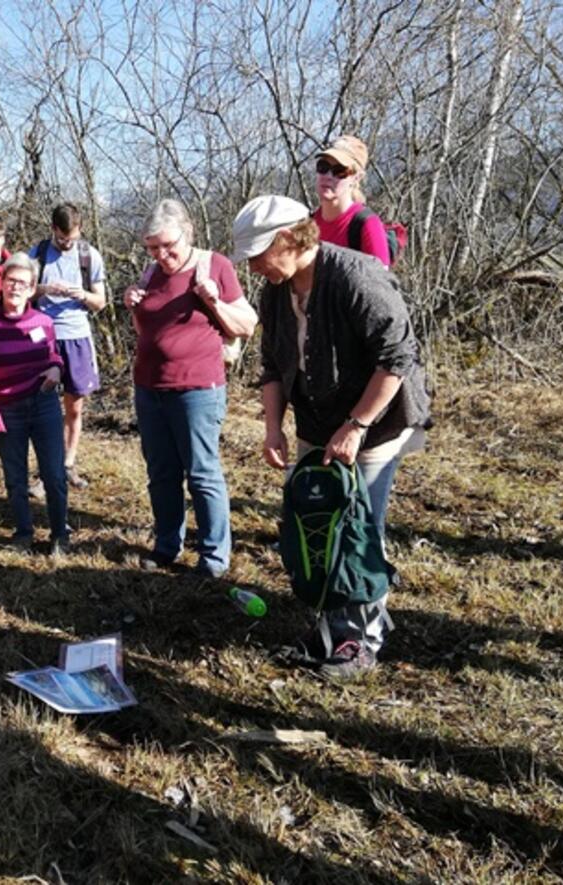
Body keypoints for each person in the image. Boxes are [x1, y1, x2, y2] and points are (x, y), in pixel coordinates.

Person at [230, 194, 431, 679]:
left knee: (359, 526)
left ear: (286, 240)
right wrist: (274, 427)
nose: (254, 267)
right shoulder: (276, 290)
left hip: (376, 421)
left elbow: (397, 358)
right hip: (317, 420)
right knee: (316, 518)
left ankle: (363, 639)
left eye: (258, 254)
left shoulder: (356, 276)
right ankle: (331, 627)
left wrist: (357, 425)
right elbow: (274, 366)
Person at [122, 199, 258, 579]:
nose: (162, 255)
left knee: (202, 473)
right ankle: (167, 545)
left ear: (189, 233)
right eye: (153, 248)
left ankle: (214, 558)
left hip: (197, 388)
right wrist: (133, 304)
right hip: (149, 388)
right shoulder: (150, 274)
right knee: (161, 472)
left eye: (168, 246)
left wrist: (213, 300)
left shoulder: (214, 265)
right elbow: (148, 330)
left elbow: (246, 324)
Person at [0, 253, 69, 555]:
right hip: (8, 408)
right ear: (1, 284)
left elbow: (55, 355)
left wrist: (57, 368)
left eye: (23, 283)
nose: (15, 287)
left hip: (44, 404)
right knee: (15, 476)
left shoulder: (44, 321)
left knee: (54, 475)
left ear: (33, 289)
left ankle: (60, 534)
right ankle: (23, 532)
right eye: (10, 281)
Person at [30, 203, 107, 489]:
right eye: (62, 239)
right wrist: (46, 289)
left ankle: (67, 464)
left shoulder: (89, 256)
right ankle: (44, 470)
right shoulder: (37, 254)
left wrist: (83, 294)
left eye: (72, 239)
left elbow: (100, 302)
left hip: (77, 336)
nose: (67, 244)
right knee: (42, 405)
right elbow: (19, 289)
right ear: (53, 229)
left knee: (74, 406)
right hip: (43, 337)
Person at [312, 135, 391, 268]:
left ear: (356, 178)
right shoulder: (309, 223)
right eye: (323, 167)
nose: (328, 176)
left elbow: (380, 285)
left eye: (340, 171)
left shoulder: (366, 224)